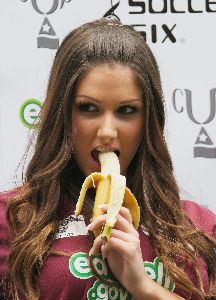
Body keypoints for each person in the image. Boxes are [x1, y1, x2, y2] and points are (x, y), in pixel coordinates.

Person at [0, 18, 216, 300]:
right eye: (88, 108)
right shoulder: (13, 219)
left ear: (148, 121)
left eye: (126, 110)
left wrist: (143, 286)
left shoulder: (197, 227)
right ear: (63, 115)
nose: (107, 132)